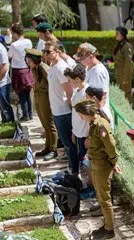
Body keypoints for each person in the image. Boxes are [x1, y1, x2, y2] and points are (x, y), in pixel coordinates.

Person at [75, 99, 119, 240]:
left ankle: (109, 229)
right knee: (100, 196)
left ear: (87, 113)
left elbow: (110, 146)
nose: (80, 117)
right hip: (96, 164)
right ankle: (106, 224)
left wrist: (113, 162)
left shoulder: (101, 126)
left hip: (102, 166)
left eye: (81, 115)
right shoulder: (93, 124)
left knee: (105, 199)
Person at [45, 41, 78, 173]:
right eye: (44, 51)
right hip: (57, 110)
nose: (45, 54)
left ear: (58, 52)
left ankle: (74, 169)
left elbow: (69, 91)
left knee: (69, 144)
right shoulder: (53, 66)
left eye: (48, 52)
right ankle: (72, 167)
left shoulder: (61, 68)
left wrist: (71, 109)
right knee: (66, 143)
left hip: (64, 111)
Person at [26, 48, 57, 160]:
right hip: (38, 96)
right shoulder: (35, 69)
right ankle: (47, 147)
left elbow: (51, 84)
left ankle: (53, 149)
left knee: (50, 124)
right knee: (44, 124)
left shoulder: (43, 68)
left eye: (29, 60)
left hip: (45, 97)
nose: (28, 62)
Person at [77, 43, 112, 127]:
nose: (79, 60)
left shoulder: (98, 72)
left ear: (91, 57)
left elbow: (100, 99)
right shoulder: (88, 66)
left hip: (98, 119)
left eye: (82, 58)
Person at [8, 23, 33, 121]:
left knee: (21, 95)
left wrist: (12, 42)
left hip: (18, 71)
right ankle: (29, 114)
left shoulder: (14, 45)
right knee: (27, 94)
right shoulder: (29, 41)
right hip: (27, 69)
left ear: (14, 33)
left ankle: (25, 115)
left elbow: (9, 55)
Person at [66, 64, 89, 168]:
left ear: (78, 79)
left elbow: (90, 116)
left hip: (85, 134)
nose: (69, 83)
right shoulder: (77, 91)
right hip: (79, 132)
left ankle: (91, 184)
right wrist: (74, 132)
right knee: (83, 161)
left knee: (86, 162)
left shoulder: (86, 93)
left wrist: (89, 136)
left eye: (70, 80)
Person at [113, 26, 134, 103]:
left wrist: (125, 77)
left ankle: (129, 110)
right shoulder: (119, 45)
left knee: (126, 93)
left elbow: (128, 63)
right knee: (121, 93)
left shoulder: (127, 46)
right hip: (119, 73)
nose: (115, 35)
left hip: (125, 74)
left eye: (117, 34)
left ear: (122, 35)